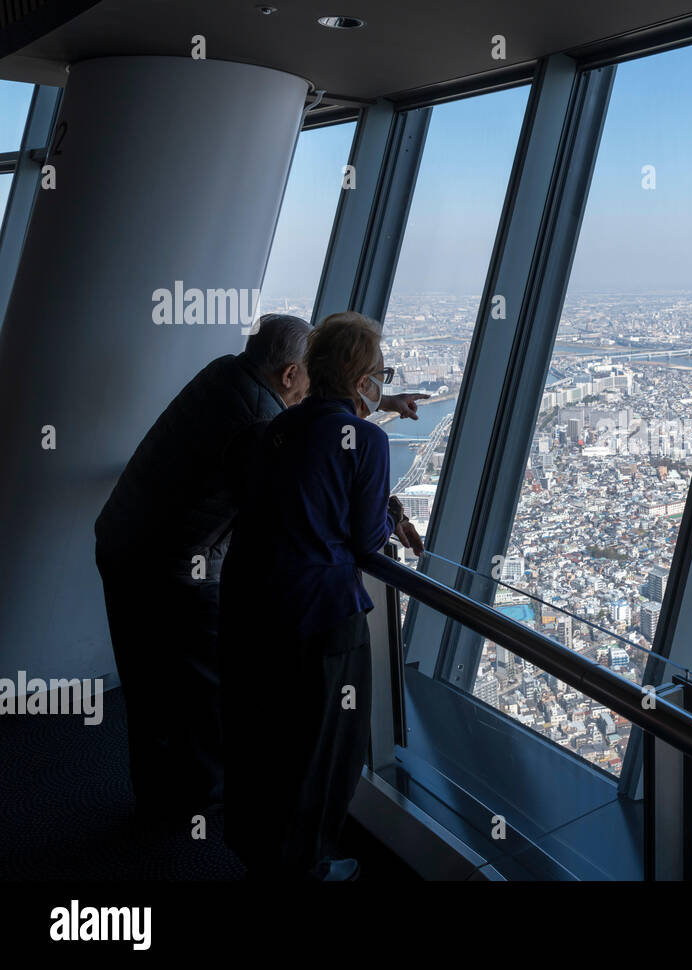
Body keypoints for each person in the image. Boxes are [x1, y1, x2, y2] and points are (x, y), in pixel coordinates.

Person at [94, 313, 428, 825]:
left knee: (147, 684)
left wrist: (379, 401)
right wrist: (389, 510)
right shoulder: (259, 423)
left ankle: (161, 800)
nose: (309, 388)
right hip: (177, 565)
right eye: (305, 378)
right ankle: (203, 803)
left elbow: (317, 423)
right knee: (204, 688)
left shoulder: (227, 375)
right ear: (291, 375)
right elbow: (316, 501)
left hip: (125, 538)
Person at [219, 312, 422, 881]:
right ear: (362, 380)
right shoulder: (370, 445)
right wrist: (389, 518)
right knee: (323, 748)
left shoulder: (272, 427)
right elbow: (364, 540)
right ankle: (303, 866)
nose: (381, 382)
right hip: (320, 617)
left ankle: (257, 850)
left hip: (251, 603)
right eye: (378, 374)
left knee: (264, 735)